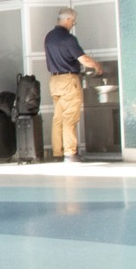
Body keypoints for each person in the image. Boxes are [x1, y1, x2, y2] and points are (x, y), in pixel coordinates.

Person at [44, 8, 105, 162]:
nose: (73, 24)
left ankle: (57, 153)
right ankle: (70, 153)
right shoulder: (69, 39)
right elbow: (83, 59)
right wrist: (96, 66)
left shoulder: (49, 37)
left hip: (54, 81)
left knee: (57, 118)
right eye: (73, 21)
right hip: (68, 81)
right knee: (69, 118)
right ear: (68, 20)